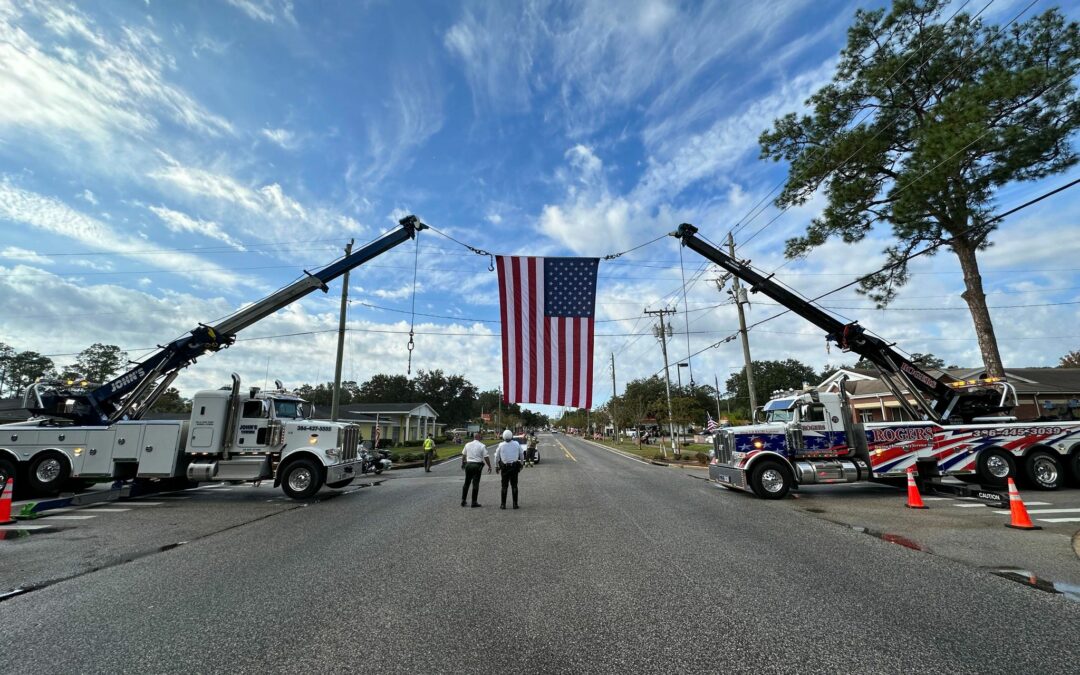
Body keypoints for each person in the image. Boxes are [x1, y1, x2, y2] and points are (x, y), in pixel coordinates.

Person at [494, 429, 524, 509]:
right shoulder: (516, 444)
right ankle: (515, 504)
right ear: (511, 436)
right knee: (514, 486)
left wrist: (496, 466)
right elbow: (521, 454)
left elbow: (496, 456)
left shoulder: (501, 445)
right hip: (514, 467)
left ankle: (503, 504)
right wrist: (521, 463)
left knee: (504, 486)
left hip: (504, 467)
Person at [460, 432, 491, 507]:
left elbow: (463, 455)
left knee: (466, 483)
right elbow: (486, 457)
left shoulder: (467, 444)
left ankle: (463, 500)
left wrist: (463, 463)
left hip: (468, 464)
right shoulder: (482, 446)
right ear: (479, 437)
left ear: (474, 437)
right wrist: (489, 466)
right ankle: (474, 502)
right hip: (477, 465)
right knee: (475, 483)